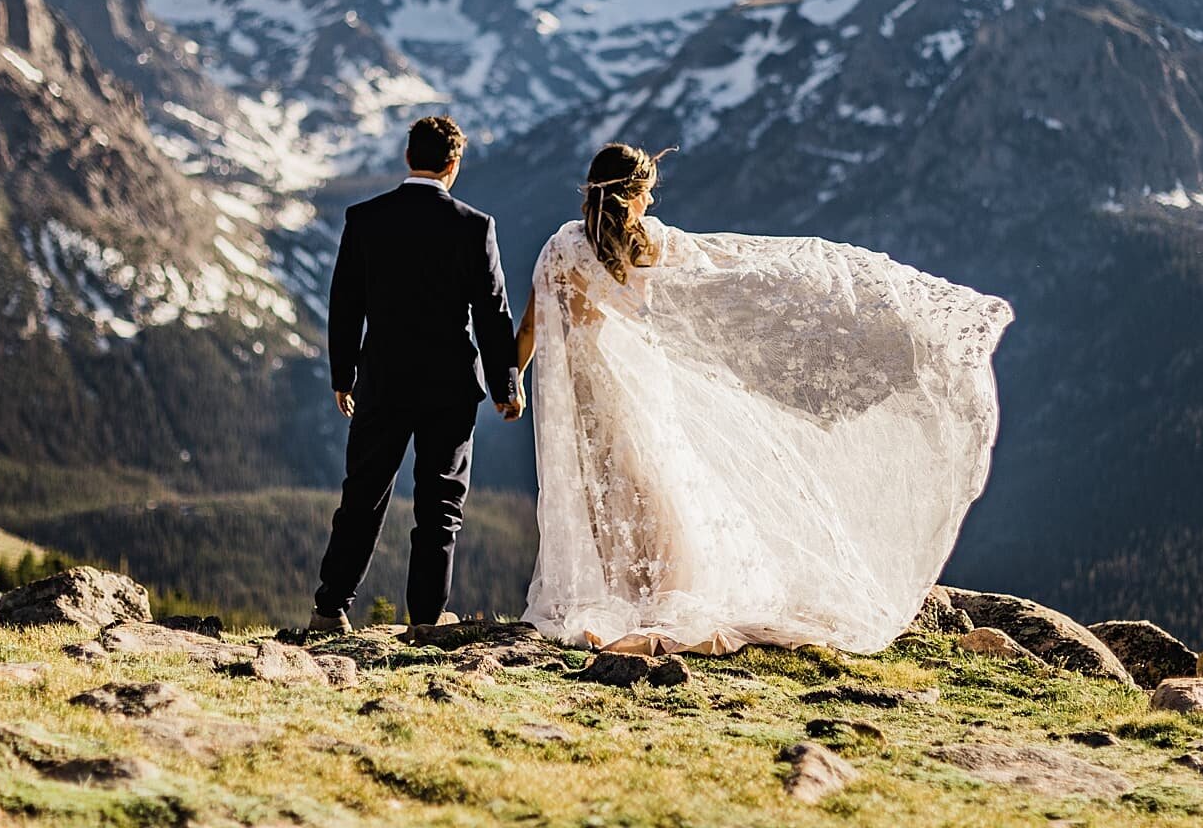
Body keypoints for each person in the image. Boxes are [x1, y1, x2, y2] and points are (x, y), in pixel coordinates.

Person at [514, 143, 1012, 655]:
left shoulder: (561, 248)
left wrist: (514, 383)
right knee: (657, 486)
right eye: (648, 194)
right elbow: (724, 274)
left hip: (584, 396)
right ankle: (664, 595)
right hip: (637, 386)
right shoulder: (651, 244)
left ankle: (615, 595)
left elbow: (532, 324)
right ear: (638, 194)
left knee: (605, 491)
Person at [309, 115, 522, 634]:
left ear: (409, 159)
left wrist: (344, 376)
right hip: (449, 388)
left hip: (380, 382)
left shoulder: (365, 219)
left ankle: (330, 608)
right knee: (440, 505)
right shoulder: (475, 226)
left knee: (362, 497)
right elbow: (493, 313)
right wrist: (506, 385)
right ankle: (424, 620)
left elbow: (344, 305)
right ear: (454, 165)